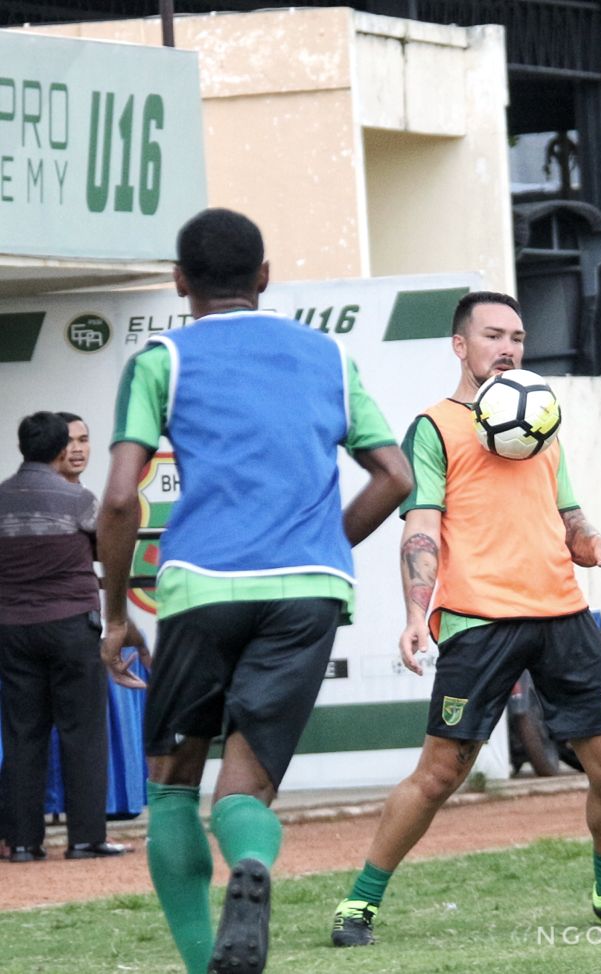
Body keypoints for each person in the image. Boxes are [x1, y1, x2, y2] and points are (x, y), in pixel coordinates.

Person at [98, 208, 412, 974]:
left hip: (202, 586)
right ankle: (253, 863)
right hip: (307, 591)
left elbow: (115, 500)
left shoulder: (161, 360)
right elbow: (396, 476)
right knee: (247, 787)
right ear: (265, 277)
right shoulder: (327, 357)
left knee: (173, 784)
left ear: (180, 282)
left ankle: (208, 959)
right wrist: (324, 545)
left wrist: (114, 617)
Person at [330, 290, 601, 948]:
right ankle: (358, 905)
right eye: (492, 336)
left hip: (562, 613)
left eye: (516, 336)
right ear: (461, 346)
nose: (508, 347)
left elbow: (569, 522)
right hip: (478, 620)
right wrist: (413, 612)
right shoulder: (433, 427)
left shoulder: (541, 422)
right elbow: (421, 527)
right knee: (439, 774)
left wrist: (598, 544)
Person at [0, 411, 126, 863]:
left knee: (21, 735)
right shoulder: (77, 500)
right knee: (82, 733)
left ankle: (23, 844)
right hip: (72, 624)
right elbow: (108, 549)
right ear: (58, 451)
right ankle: (85, 839)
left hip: (12, 629)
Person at [55, 412, 90, 485]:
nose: (77, 449)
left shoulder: (86, 494)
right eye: (68, 441)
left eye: (82, 440)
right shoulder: (39, 493)